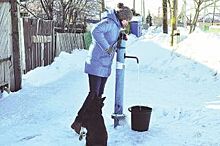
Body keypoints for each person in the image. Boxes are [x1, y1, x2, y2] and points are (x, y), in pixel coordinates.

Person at [71, 5, 133, 146]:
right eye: (127, 20)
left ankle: (90, 122)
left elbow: (112, 43)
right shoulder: (109, 23)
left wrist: (119, 40)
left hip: (104, 65)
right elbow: (95, 31)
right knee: (93, 93)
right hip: (96, 62)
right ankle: (78, 121)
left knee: (98, 96)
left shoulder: (116, 27)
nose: (127, 23)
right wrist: (106, 47)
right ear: (122, 17)